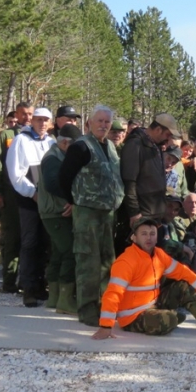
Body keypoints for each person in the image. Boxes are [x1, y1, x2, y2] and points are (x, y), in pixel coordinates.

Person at [92, 217, 196, 338]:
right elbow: (112, 294)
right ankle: (169, 317)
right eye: (144, 234)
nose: (149, 237)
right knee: (168, 320)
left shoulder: (159, 254)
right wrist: (106, 326)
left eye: (152, 233)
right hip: (132, 316)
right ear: (134, 237)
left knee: (183, 286)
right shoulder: (126, 261)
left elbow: (183, 272)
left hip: (153, 303)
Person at [58, 105, 125, 325]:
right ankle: (87, 312)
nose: (104, 125)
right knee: (88, 261)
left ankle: (105, 308)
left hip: (108, 214)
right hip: (87, 213)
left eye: (107, 122)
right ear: (89, 123)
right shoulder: (81, 147)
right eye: (100, 121)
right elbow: (64, 177)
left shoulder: (111, 147)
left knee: (107, 261)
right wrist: (75, 200)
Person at [7, 107, 56, 307]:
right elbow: (15, 173)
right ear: (31, 121)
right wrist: (32, 194)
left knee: (45, 244)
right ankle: (27, 288)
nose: (42, 123)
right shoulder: (21, 140)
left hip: (47, 202)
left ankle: (39, 285)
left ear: (50, 123)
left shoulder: (51, 142)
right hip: (29, 201)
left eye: (46, 120)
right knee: (29, 243)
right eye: (38, 119)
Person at [0, 101, 33, 293]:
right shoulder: (6, 136)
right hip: (10, 196)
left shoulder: (37, 137)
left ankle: (27, 281)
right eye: (23, 114)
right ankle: (8, 282)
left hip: (31, 196)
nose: (27, 118)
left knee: (29, 240)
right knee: (12, 239)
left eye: (30, 114)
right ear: (16, 114)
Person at [119, 113, 179, 255]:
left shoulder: (154, 145)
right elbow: (130, 181)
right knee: (137, 258)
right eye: (167, 134)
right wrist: (134, 212)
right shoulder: (135, 144)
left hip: (154, 214)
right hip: (142, 214)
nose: (168, 139)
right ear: (158, 129)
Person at [38, 123, 81, 314]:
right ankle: (65, 300)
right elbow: (53, 184)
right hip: (55, 212)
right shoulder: (53, 159)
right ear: (64, 143)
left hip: (55, 211)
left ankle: (54, 298)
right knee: (70, 251)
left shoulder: (58, 155)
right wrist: (72, 200)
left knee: (57, 253)